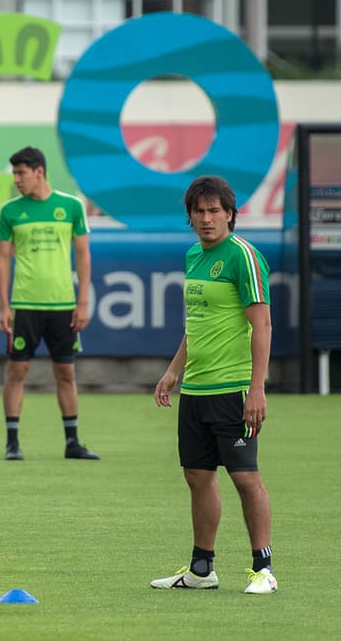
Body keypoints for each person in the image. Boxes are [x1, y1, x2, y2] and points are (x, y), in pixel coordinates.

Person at [151, 175, 277, 595]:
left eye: (214, 211)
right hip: (197, 390)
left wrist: (257, 388)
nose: (207, 219)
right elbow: (196, 324)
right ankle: (201, 569)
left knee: (245, 478)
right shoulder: (193, 257)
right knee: (196, 475)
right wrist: (174, 372)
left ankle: (263, 568)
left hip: (234, 388)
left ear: (229, 214)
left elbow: (262, 325)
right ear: (190, 216)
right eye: (199, 212)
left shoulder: (243, 256)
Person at [0, 146, 98, 461]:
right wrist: (3, 305)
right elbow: (1, 259)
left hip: (62, 305)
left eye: (21, 173)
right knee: (17, 370)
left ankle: (72, 442)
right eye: (14, 173)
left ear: (39, 171)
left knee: (66, 372)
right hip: (25, 304)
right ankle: (12, 443)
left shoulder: (70, 207)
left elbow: (83, 253)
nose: (16, 180)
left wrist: (82, 302)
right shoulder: (9, 212)